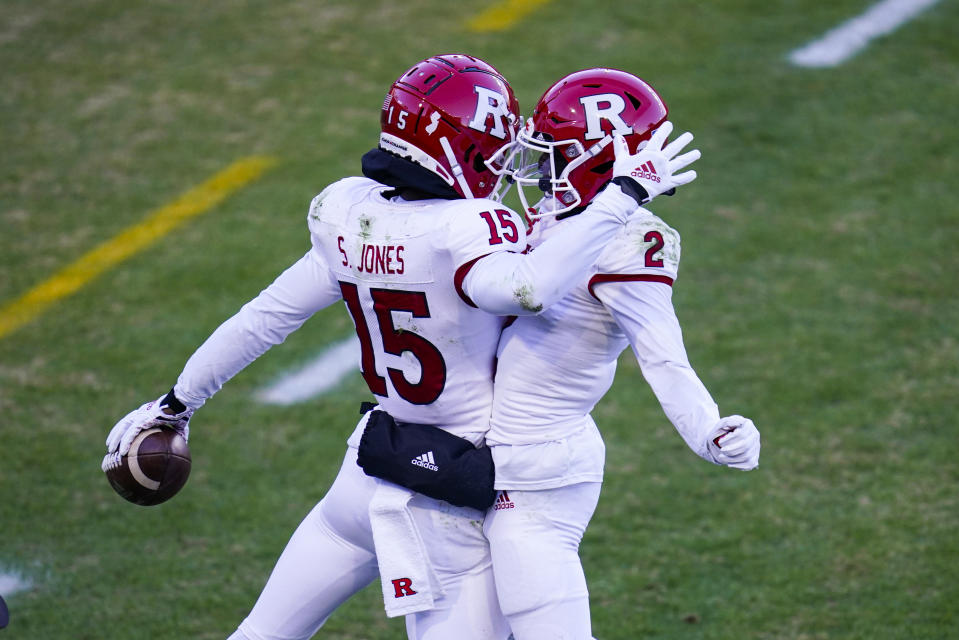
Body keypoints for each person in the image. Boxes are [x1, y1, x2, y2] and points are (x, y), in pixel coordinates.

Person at [101, 55, 700, 640]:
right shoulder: (469, 228)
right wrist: (623, 195)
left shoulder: (348, 212)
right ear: (458, 149)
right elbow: (530, 288)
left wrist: (176, 403)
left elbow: (262, 320)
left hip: (369, 467)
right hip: (445, 495)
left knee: (261, 632)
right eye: (490, 149)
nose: (502, 166)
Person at [477, 68, 763, 639]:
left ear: (602, 163)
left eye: (556, 156)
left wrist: (707, 429)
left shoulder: (628, 239)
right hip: (485, 457)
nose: (540, 171)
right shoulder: (555, 215)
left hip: (541, 469)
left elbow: (663, 354)